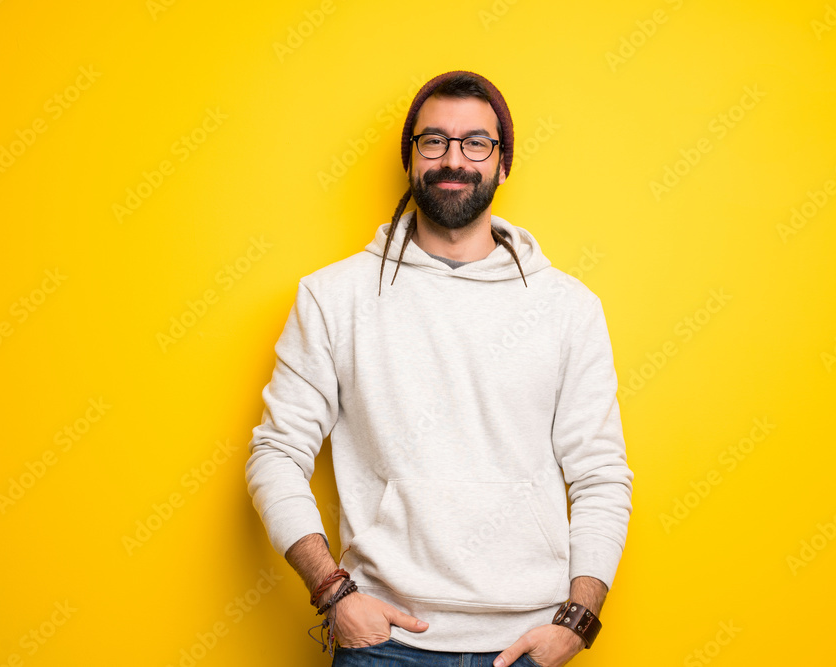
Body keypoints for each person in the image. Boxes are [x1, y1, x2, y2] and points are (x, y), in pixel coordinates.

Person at [246, 70, 633, 667]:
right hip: (385, 644)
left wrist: (578, 622)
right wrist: (334, 593)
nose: (455, 159)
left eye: (476, 143)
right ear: (411, 158)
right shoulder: (333, 297)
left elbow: (601, 475)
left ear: (503, 164)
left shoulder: (568, 307)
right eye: (435, 141)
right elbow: (276, 452)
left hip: (528, 644)